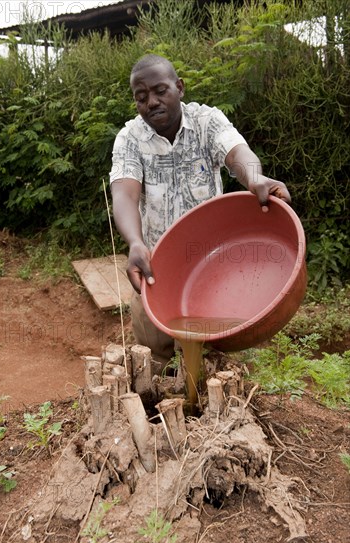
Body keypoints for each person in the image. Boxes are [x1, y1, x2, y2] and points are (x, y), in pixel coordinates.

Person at [110, 54, 291, 363]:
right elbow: (125, 194)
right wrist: (135, 243)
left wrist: (255, 177)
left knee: (209, 359)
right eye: (141, 97)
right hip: (156, 270)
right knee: (153, 355)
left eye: (160, 90)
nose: (151, 102)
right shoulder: (130, 139)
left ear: (179, 87)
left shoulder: (207, 122)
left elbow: (238, 154)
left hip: (210, 266)